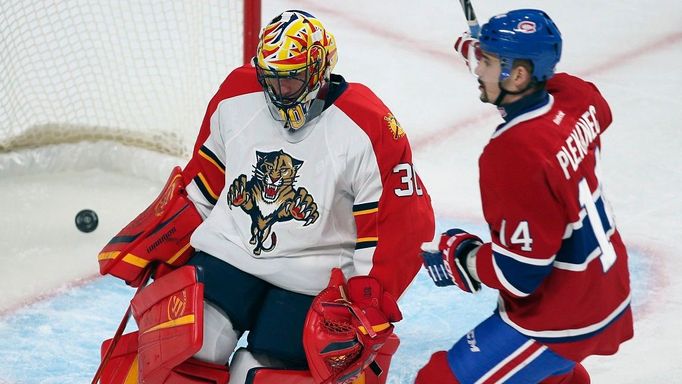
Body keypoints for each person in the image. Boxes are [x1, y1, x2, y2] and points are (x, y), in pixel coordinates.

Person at [95, 9, 435, 384]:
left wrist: (370, 298)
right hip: (229, 253)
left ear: (320, 70)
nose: (279, 91)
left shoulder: (368, 125)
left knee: (257, 374)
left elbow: (402, 223)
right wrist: (165, 238)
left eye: (291, 79)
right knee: (178, 352)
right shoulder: (236, 95)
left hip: (313, 278)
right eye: (270, 79)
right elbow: (205, 181)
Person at [417, 9, 633, 384]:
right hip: (605, 287)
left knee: (439, 380)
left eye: (486, 61)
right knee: (553, 377)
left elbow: (520, 275)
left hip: (562, 316)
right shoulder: (578, 99)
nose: (477, 70)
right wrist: (488, 53)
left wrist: (465, 257)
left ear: (518, 75)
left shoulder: (513, 153)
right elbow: (558, 89)